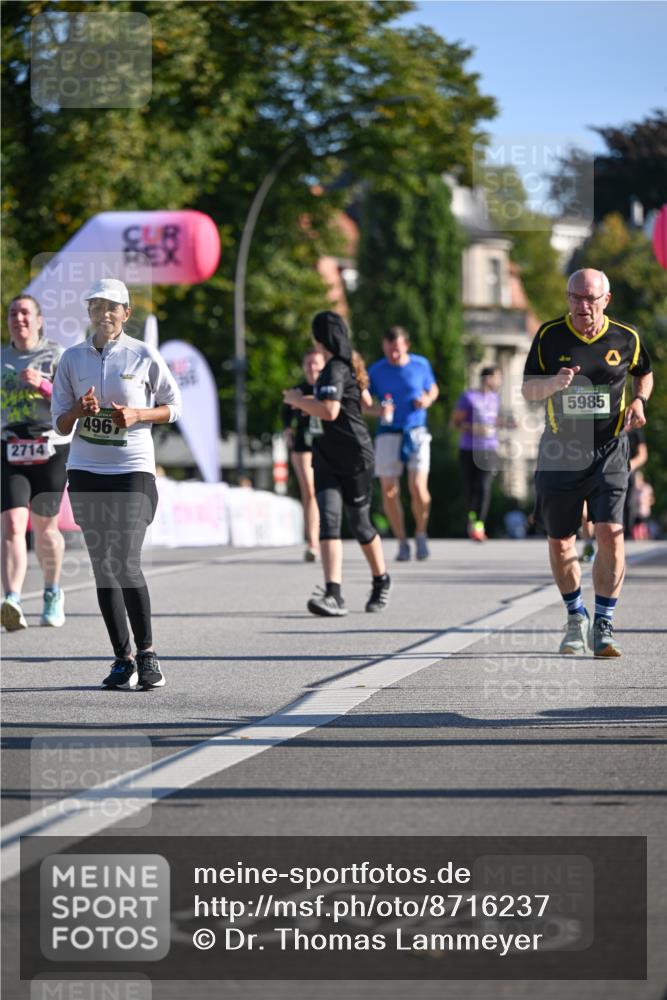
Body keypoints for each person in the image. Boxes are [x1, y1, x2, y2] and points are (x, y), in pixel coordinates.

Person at [51, 278, 182, 689]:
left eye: (113, 307)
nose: (104, 313)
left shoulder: (143, 355)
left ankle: (147, 655)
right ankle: (121, 659)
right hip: (87, 470)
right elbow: (58, 422)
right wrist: (78, 409)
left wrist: (138, 415)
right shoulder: (72, 359)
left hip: (133, 472)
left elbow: (173, 407)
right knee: (104, 568)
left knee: (125, 560)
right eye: (97, 306)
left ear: (126, 313)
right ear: (88, 312)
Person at [522, 268, 653, 657]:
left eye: (589, 299)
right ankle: (575, 615)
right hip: (561, 450)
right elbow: (529, 388)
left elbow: (643, 373)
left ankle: (605, 622)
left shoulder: (626, 338)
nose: (582, 306)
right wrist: (553, 384)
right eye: (575, 297)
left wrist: (640, 401)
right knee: (562, 541)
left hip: (609, 449)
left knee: (611, 533)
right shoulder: (549, 336)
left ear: (605, 301)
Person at [282, 311, 391, 617]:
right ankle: (333, 594)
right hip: (326, 458)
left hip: (356, 457)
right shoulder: (337, 368)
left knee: (360, 524)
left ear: (320, 338)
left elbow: (329, 411)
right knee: (330, 521)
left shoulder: (338, 369)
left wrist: (296, 399)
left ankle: (381, 580)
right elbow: (361, 404)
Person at [1, 295, 68, 631]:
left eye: (25, 312)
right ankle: (11, 600)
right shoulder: (1, 358)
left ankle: (52, 592)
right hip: (10, 446)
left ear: (39, 320)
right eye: (13, 313)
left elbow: (73, 402)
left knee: (45, 529)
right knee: (13, 524)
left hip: (50, 448)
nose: (19, 318)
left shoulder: (55, 355)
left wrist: (41, 384)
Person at [367, 326, 439, 561]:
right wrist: (378, 410)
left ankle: (420, 532)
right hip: (387, 431)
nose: (393, 355)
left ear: (406, 345)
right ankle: (401, 541)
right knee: (389, 490)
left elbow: (433, 389)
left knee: (418, 488)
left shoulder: (421, 364)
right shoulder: (376, 370)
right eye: (389, 351)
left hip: (416, 430)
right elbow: (361, 403)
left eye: (397, 350)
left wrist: (427, 399)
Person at [282, 347, 325, 561]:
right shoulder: (297, 391)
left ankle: (327, 537)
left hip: (327, 445)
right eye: (308, 363)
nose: (312, 368)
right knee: (309, 489)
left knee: (323, 491)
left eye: (315, 363)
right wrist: (288, 431)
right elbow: (286, 415)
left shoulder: (329, 390)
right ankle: (313, 543)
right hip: (303, 446)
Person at [450, 365, 502, 541]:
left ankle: (479, 525)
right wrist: (474, 428)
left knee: (484, 487)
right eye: (497, 377)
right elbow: (455, 423)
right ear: (488, 379)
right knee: (470, 488)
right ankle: (472, 520)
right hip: (468, 449)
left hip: (489, 449)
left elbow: (495, 421)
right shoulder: (469, 397)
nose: (499, 382)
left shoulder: (496, 399)